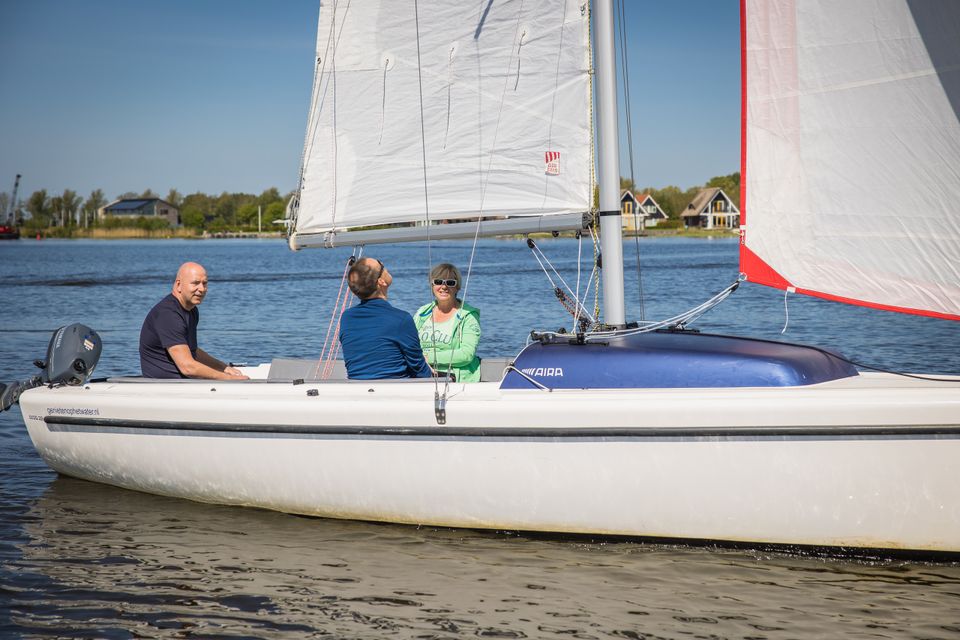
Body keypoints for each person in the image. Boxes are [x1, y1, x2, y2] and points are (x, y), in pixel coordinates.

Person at [139, 262, 248, 380]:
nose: (202, 289)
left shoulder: (192, 310)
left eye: (204, 283)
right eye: (195, 283)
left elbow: (192, 351)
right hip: (165, 386)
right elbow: (188, 367)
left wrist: (223, 367)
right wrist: (227, 379)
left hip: (184, 383)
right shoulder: (168, 314)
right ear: (179, 285)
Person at [339, 257, 433, 380]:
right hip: (395, 389)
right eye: (381, 265)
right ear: (381, 282)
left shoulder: (346, 318)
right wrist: (428, 368)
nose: (383, 264)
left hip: (358, 388)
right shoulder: (401, 319)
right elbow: (421, 372)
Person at [415, 263, 481, 382]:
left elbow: (466, 354)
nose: (444, 287)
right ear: (432, 285)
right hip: (422, 374)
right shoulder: (422, 313)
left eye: (450, 283)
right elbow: (409, 345)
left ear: (457, 287)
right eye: (438, 282)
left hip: (455, 378)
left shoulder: (469, 316)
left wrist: (428, 358)